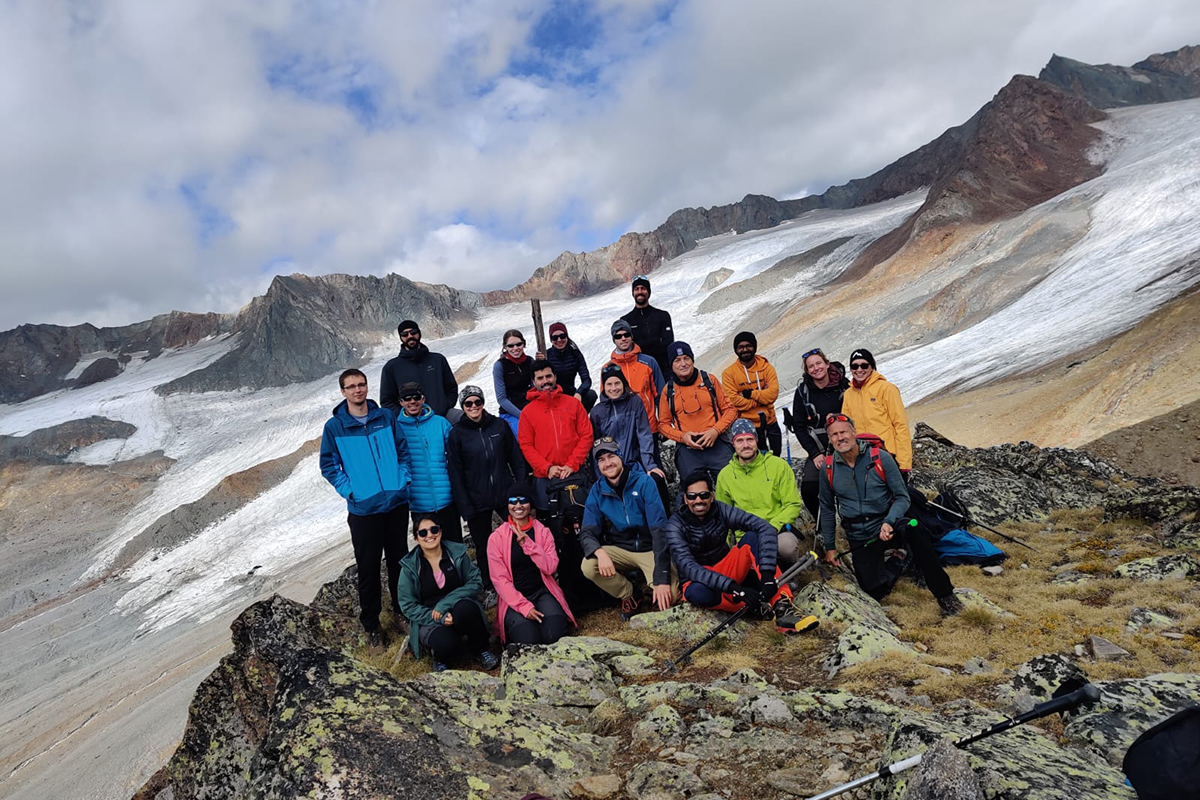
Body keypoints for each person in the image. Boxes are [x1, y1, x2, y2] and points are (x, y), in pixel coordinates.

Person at [818, 414, 962, 615]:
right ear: (830, 439)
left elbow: (902, 496)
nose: (840, 438)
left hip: (890, 526)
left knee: (915, 528)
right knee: (874, 590)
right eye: (834, 435)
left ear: (853, 432)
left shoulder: (880, 458)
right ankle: (899, 559)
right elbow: (826, 508)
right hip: (860, 535)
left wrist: (889, 521)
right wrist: (830, 547)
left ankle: (945, 594)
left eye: (843, 432)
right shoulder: (828, 468)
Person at [318, 369, 412, 647]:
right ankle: (371, 626)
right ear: (343, 392)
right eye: (351, 387)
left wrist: (402, 478)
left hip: (395, 502)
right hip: (364, 510)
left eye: (361, 384)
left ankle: (400, 612)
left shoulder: (385, 417)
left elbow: (402, 449)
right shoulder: (335, 427)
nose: (358, 390)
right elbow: (329, 466)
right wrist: (351, 491)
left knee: (399, 561)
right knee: (368, 569)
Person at [666, 471, 809, 632]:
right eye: (692, 496)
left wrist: (768, 574)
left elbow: (764, 527)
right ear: (685, 499)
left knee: (752, 537)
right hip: (698, 578)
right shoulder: (675, 525)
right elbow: (689, 567)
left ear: (712, 496)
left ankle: (782, 606)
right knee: (698, 594)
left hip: (726, 566)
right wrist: (734, 588)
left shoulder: (721, 510)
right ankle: (750, 606)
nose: (698, 500)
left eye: (703, 494)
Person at [579, 438, 678, 619]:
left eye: (611, 456)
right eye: (601, 460)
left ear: (620, 456)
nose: (608, 463)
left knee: (671, 595)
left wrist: (662, 578)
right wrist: (600, 553)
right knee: (589, 565)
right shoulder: (597, 490)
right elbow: (587, 531)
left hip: (650, 548)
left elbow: (659, 531)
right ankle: (631, 594)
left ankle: (654, 585)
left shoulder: (644, 483)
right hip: (621, 548)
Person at [446, 385, 526, 603]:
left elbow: (516, 459)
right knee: (483, 546)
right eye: (468, 403)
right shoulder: (457, 434)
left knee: (520, 535)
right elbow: (456, 473)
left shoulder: (499, 425)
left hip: (505, 493)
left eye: (477, 402)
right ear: (463, 407)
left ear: (482, 403)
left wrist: (519, 489)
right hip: (476, 499)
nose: (474, 407)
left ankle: (524, 576)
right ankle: (491, 586)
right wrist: (465, 506)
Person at [396, 515, 497, 671]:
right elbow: (407, 605)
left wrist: (445, 604)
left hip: (459, 608)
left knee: (466, 608)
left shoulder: (455, 553)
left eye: (433, 530)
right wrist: (438, 616)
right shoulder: (410, 567)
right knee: (445, 643)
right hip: (430, 618)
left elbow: (475, 581)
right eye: (423, 533)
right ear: (416, 538)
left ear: (440, 532)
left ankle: (481, 649)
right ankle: (440, 659)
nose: (429, 535)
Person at [487, 483, 576, 645]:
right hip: (514, 598)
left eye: (523, 500)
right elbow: (499, 580)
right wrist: (524, 607)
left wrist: (529, 545)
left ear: (531, 505)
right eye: (513, 501)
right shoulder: (496, 538)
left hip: (542, 591)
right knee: (530, 641)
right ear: (507, 505)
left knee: (554, 637)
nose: (518, 505)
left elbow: (550, 567)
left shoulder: (543, 532)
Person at [715, 419, 803, 566]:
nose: (746, 445)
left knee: (787, 548)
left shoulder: (778, 465)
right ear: (733, 444)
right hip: (746, 536)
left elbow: (792, 504)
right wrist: (723, 547)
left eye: (750, 439)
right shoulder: (725, 475)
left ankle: (787, 570)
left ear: (756, 440)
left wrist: (772, 527)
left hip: (777, 530)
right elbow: (723, 515)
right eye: (740, 441)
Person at [589, 363, 669, 509]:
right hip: (611, 467)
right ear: (603, 387)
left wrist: (649, 465)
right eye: (609, 384)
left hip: (634, 463)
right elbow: (596, 448)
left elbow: (643, 434)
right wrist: (601, 477)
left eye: (617, 383)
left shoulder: (634, 402)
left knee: (657, 480)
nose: (614, 388)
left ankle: (666, 524)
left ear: (623, 383)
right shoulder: (597, 412)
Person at [657, 341, 737, 483]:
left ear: (692, 360)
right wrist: (682, 437)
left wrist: (715, 431)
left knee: (731, 485)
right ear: (671, 365)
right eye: (677, 360)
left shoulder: (709, 381)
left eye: (687, 358)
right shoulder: (668, 391)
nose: (683, 364)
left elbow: (730, 410)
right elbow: (663, 424)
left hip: (717, 443)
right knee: (692, 491)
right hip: (688, 449)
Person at [395, 381, 463, 544]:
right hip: (419, 505)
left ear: (423, 399)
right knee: (431, 553)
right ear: (401, 402)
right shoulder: (397, 429)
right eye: (407, 398)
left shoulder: (440, 423)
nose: (412, 402)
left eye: (416, 397)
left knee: (456, 549)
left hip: (447, 499)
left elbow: (457, 456)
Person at [787, 348, 849, 522]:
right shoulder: (802, 392)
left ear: (827, 364)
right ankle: (822, 526)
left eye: (819, 363)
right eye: (811, 366)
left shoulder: (844, 386)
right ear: (807, 371)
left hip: (846, 445)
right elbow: (799, 426)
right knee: (809, 489)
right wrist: (814, 454)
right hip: (819, 449)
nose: (816, 368)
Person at [840, 348, 913, 475]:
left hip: (888, 456)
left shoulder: (887, 389)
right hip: (861, 459)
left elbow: (900, 425)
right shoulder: (848, 394)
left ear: (872, 366)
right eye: (854, 366)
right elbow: (846, 429)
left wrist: (903, 462)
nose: (859, 370)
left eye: (864, 365)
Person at [380, 320, 459, 419]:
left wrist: (444, 406)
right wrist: (405, 416)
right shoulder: (391, 367)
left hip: (440, 418)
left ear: (419, 333)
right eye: (405, 334)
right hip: (410, 426)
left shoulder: (438, 360)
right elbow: (387, 401)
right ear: (401, 337)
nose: (410, 336)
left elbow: (451, 389)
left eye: (413, 332)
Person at [721, 331, 782, 455]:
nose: (745, 349)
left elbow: (772, 394)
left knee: (775, 459)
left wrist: (750, 394)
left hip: (770, 422)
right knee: (752, 462)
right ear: (736, 350)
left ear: (754, 346)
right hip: (746, 427)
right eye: (741, 347)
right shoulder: (729, 374)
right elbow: (734, 401)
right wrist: (761, 399)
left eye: (748, 345)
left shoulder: (767, 368)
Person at [607, 318, 664, 434]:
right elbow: (606, 402)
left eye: (626, 334)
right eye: (618, 336)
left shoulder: (649, 362)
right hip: (623, 430)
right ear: (614, 340)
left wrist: (664, 424)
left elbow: (661, 395)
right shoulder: (608, 368)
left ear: (631, 336)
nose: (623, 338)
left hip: (649, 427)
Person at [625, 275, 674, 377]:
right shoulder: (626, 321)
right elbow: (626, 350)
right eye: (636, 289)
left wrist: (639, 346)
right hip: (638, 373)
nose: (640, 292)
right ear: (633, 293)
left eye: (643, 288)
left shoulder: (662, 316)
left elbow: (668, 344)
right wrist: (657, 341)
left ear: (648, 291)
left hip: (663, 371)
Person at [545, 321, 597, 412]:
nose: (559, 340)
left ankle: (579, 418)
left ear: (567, 336)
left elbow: (586, 380)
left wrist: (579, 393)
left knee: (591, 395)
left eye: (562, 336)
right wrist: (538, 363)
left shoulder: (575, 354)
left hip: (571, 393)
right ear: (551, 339)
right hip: (554, 395)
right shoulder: (546, 355)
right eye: (555, 337)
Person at [493, 329, 535, 437]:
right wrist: (521, 415)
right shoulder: (500, 366)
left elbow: (535, 388)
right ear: (505, 347)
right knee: (523, 437)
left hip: (529, 408)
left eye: (518, 344)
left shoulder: (529, 362)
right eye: (511, 346)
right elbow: (502, 399)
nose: (515, 348)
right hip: (510, 413)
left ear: (523, 344)